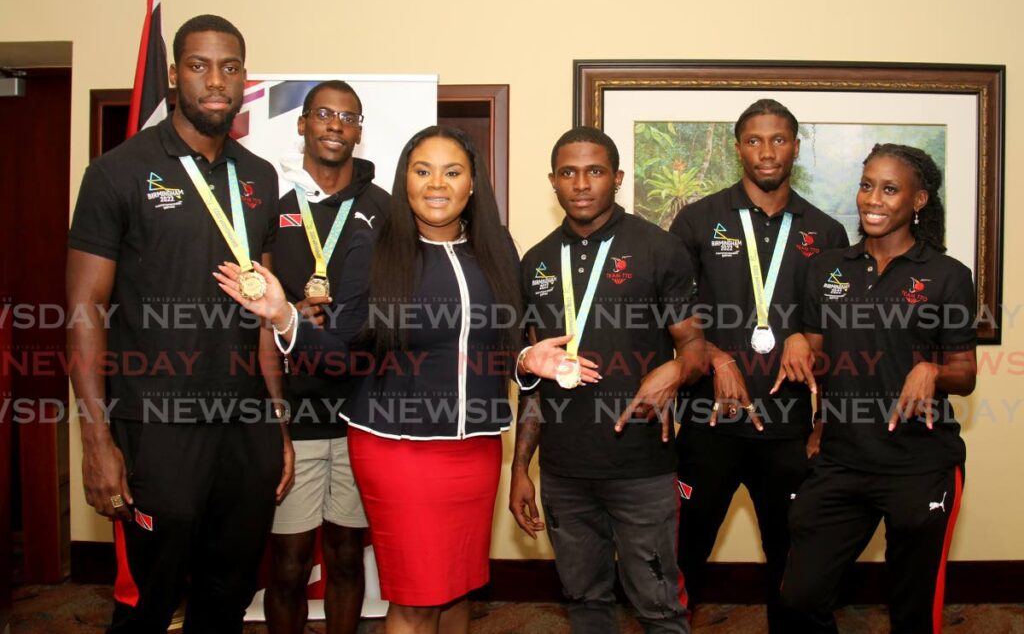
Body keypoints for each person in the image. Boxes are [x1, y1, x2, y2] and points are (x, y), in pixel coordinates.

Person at [215, 124, 583, 634]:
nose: (437, 184)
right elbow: (340, 356)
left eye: (452, 172)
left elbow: (494, 348)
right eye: (422, 170)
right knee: (415, 600)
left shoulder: (496, 248)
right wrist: (283, 317)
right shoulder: (376, 249)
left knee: (457, 590)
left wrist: (524, 361)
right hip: (397, 449)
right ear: (404, 181)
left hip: (476, 449)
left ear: (473, 183)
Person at [67, 14, 292, 633]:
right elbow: (84, 310)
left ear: (245, 78)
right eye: (199, 66)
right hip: (156, 422)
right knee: (150, 597)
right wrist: (95, 441)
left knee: (231, 591)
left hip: (244, 424)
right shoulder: (118, 171)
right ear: (174, 76)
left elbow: (266, 312)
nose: (214, 81)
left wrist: (277, 422)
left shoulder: (260, 177)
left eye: (229, 66)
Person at [510, 126, 704, 634]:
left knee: (660, 606)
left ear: (616, 178)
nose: (581, 183)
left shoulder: (659, 248)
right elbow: (531, 375)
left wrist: (676, 370)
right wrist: (519, 468)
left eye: (594, 171)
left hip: (641, 468)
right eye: (568, 172)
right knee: (584, 601)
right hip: (563, 471)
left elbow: (696, 348)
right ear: (552, 180)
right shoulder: (535, 263)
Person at [777, 144, 977, 633]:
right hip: (842, 460)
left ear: (919, 200)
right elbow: (823, 358)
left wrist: (933, 371)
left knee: (912, 612)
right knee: (799, 598)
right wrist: (798, 340)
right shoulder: (827, 268)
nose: (873, 198)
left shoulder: (947, 276)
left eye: (890, 189)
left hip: (919, 464)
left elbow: (965, 374)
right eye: (867, 185)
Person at [668, 99, 848, 631]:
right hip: (709, 421)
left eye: (778, 140)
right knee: (683, 551)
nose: (766, 152)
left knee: (794, 559)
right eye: (754, 140)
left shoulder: (826, 232)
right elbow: (672, 312)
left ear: (796, 144)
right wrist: (717, 355)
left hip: (788, 427)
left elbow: (834, 336)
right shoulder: (699, 219)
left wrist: (803, 342)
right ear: (737, 147)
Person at [263, 80, 389, 634]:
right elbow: (246, 294)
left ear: (359, 131)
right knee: (288, 565)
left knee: (344, 555)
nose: (336, 124)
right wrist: (288, 311)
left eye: (348, 116)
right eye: (324, 114)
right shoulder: (273, 202)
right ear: (302, 124)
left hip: (362, 410)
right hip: (296, 411)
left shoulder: (383, 208)